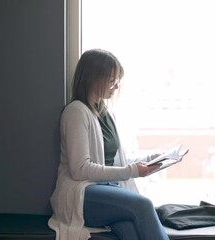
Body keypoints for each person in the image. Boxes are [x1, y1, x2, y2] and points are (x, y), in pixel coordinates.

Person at [48, 48, 170, 240]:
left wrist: (149, 160)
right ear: (93, 79)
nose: (116, 86)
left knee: (130, 230)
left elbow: (115, 161)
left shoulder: (105, 114)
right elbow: (80, 170)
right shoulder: (76, 112)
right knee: (143, 205)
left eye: (117, 80)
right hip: (81, 195)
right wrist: (133, 171)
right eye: (112, 80)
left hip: (107, 190)